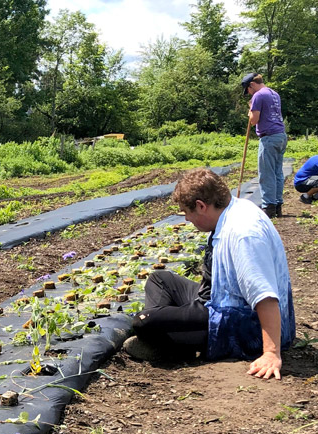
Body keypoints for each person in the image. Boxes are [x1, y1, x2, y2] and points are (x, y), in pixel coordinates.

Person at [123, 168, 296, 380]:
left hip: (237, 320)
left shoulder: (244, 234)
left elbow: (265, 296)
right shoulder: (233, 210)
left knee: (144, 321)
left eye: (186, 212)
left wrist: (271, 353)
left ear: (201, 206)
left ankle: (170, 342)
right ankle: (173, 337)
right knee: (160, 280)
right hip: (218, 296)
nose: (186, 219)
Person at [242, 73, 287, 218]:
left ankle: (269, 208)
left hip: (268, 137)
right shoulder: (274, 94)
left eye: (247, 90)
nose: (248, 93)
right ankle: (277, 205)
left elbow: (254, 120)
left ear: (252, 85)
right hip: (281, 135)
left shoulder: (258, 95)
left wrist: (250, 111)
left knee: (266, 174)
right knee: (277, 172)